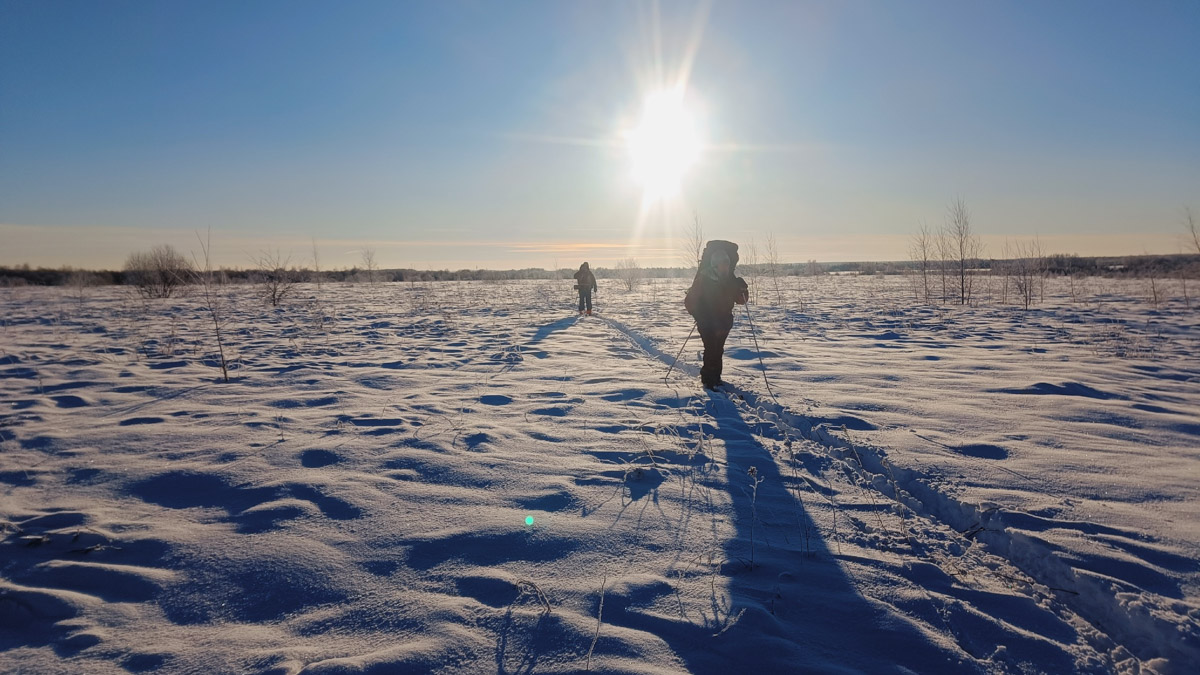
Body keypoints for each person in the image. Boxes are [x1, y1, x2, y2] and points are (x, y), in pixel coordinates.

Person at [684, 241, 749, 390]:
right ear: (714, 265)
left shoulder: (731, 280)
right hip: (706, 321)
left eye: (727, 265)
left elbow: (741, 300)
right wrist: (700, 315)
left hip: (724, 321)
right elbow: (689, 302)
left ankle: (716, 377)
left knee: (718, 349)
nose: (725, 268)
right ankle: (708, 379)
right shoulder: (703, 279)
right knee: (711, 348)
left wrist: (743, 290)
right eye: (722, 265)